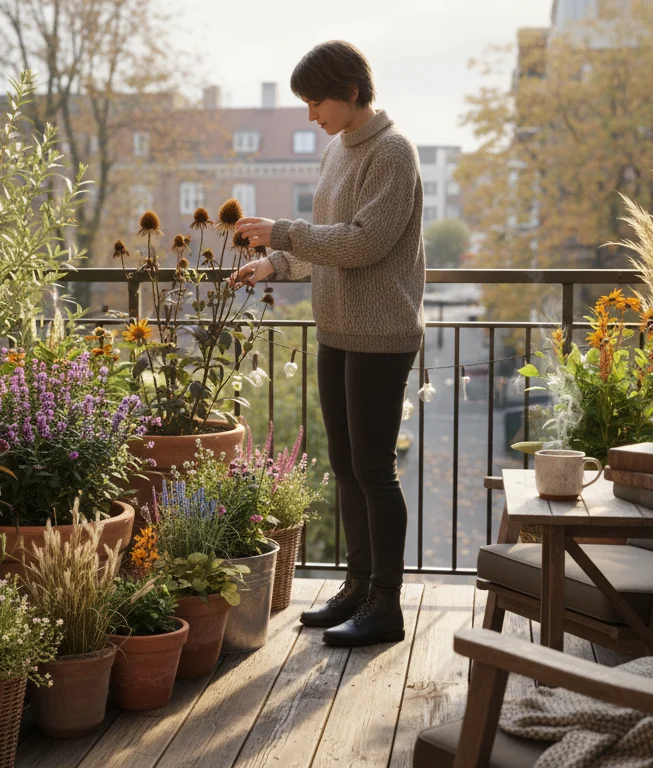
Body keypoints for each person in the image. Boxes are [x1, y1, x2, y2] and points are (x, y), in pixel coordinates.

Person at [232, 40, 425, 647]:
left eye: (315, 101)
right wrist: (275, 265)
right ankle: (357, 585)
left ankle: (385, 606)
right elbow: (328, 246)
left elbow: (363, 242)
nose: (310, 114)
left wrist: (284, 231)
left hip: (381, 334)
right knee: (344, 465)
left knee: (373, 469)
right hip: (337, 331)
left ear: (348, 91)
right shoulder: (337, 151)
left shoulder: (394, 152)